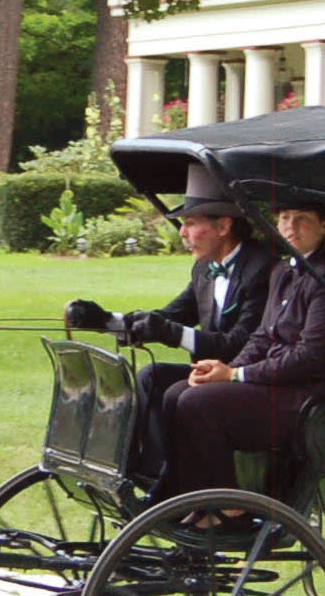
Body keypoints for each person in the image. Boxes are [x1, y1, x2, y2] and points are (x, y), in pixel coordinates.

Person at [153, 199, 325, 501]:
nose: (291, 227)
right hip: (280, 381)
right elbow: (263, 336)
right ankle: (186, 496)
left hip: (313, 396)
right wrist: (222, 371)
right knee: (175, 394)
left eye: (302, 218)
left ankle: (230, 508)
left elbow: (310, 357)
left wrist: (237, 374)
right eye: (285, 218)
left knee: (197, 403)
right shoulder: (283, 270)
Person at [63, 194, 277, 485]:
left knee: (175, 391)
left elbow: (239, 343)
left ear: (224, 225)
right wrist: (106, 321)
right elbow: (173, 315)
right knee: (151, 376)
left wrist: (172, 334)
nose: (182, 232)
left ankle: (173, 484)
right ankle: (143, 472)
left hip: (247, 378)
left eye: (190, 223)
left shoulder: (263, 268)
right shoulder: (204, 268)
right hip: (208, 376)